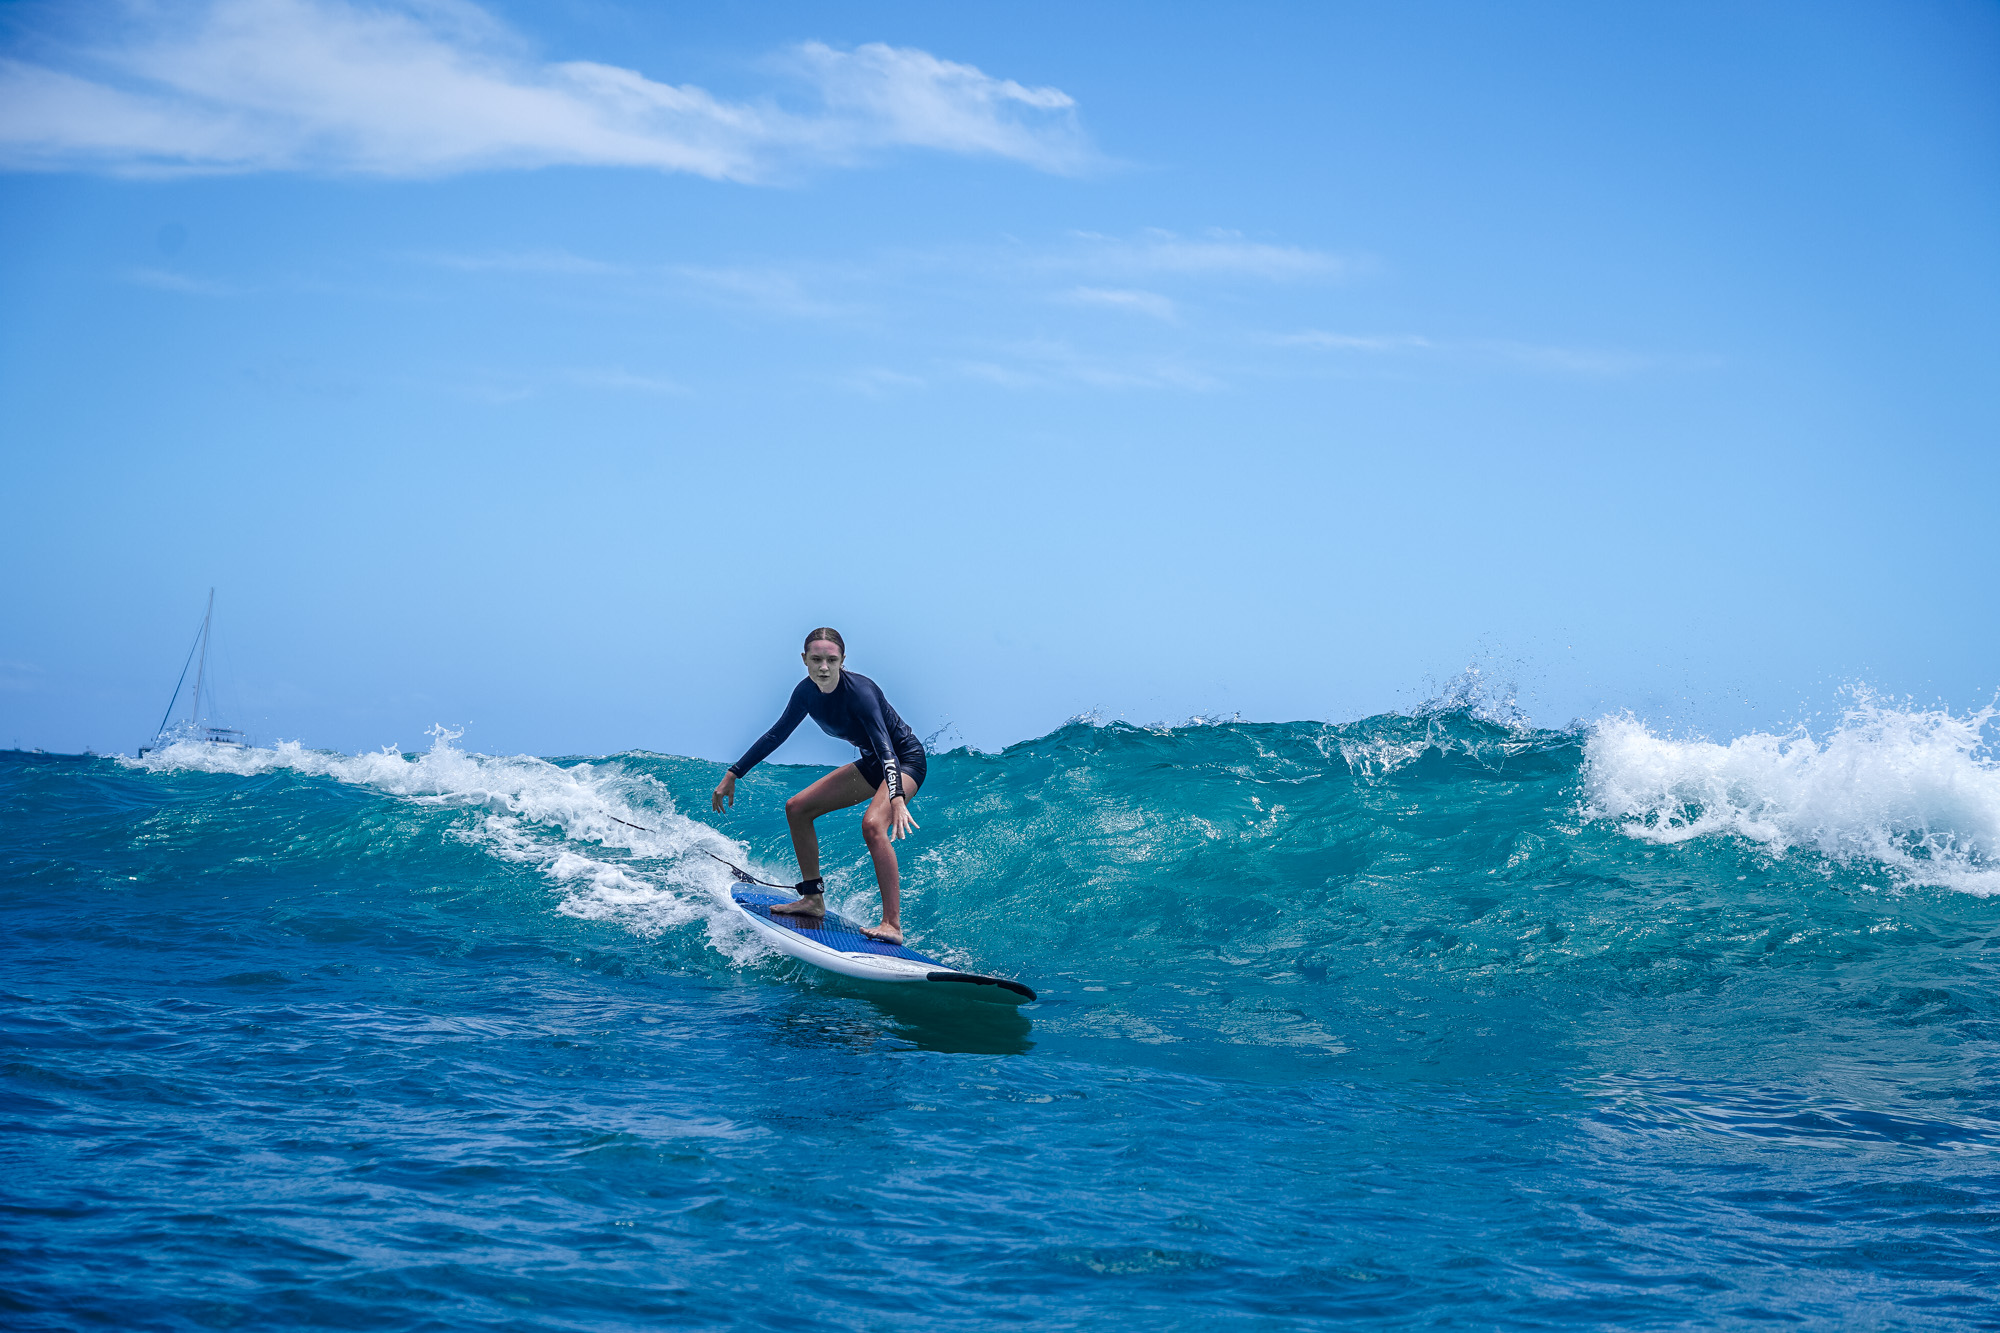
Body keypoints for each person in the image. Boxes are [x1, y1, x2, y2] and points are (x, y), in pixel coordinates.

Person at [711, 628, 925, 944]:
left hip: (903, 761)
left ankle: (891, 924)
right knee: (798, 808)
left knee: (872, 825)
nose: (824, 667)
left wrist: (896, 797)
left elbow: (886, 749)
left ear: (842, 661)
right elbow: (775, 735)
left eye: (831, 660)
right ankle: (812, 899)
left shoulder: (861, 693)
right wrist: (733, 773)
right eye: (816, 659)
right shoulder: (805, 694)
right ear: (804, 660)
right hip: (871, 763)